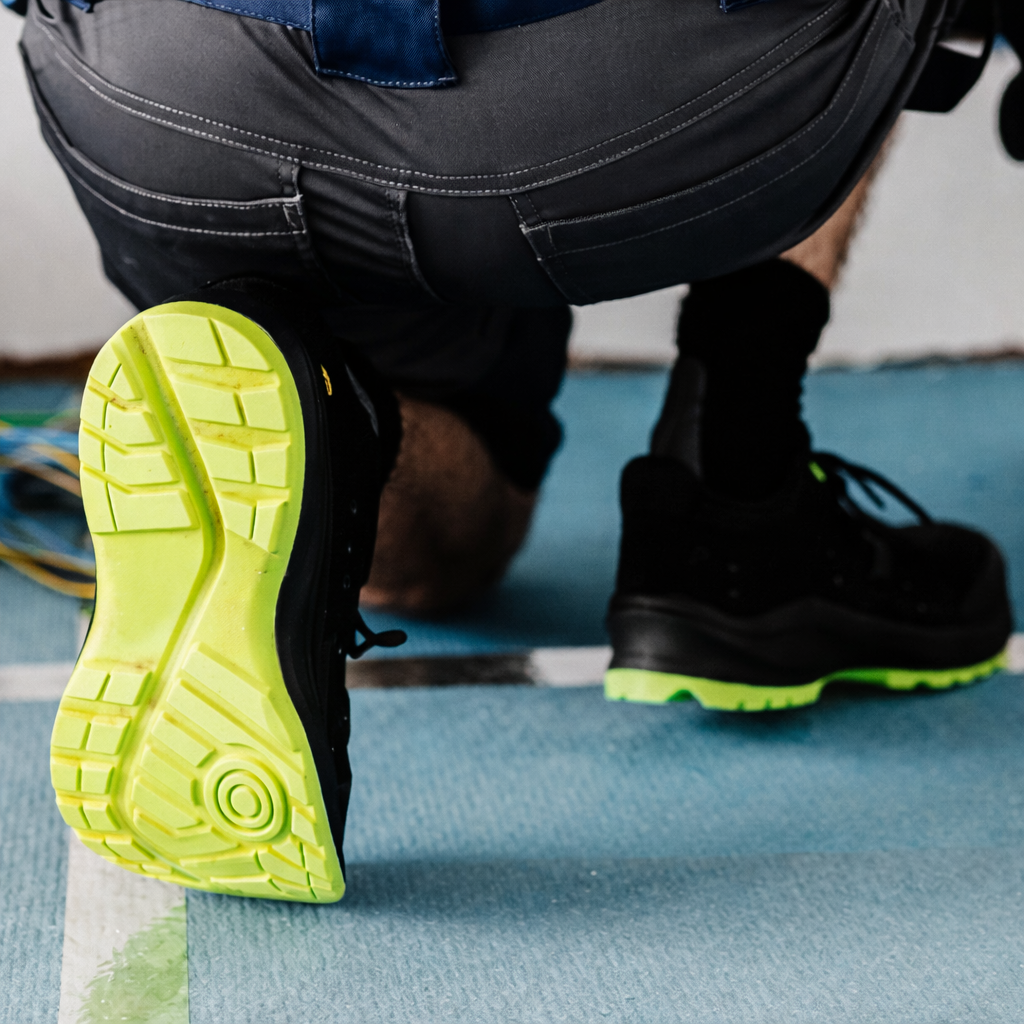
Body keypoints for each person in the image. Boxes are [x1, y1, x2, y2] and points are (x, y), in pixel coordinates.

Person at [16, 0, 1015, 901]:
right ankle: (736, 483)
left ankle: (334, 416)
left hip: (160, 97)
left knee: (444, 555)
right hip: (598, 106)